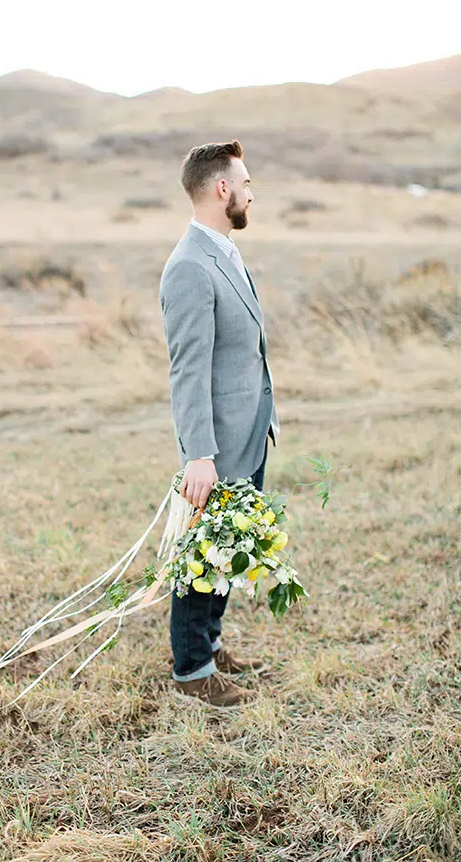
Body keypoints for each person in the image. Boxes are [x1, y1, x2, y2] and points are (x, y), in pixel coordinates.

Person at [159, 140, 279, 707]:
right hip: (218, 445)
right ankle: (192, 672)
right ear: (222, 188)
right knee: (202, 555)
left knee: (228, 549)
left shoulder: (224, 251)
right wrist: (199, 454)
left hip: (248, 431)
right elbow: (188, 370)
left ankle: (209, 644)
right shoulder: (188, 266)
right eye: (246, 183)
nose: (252, 193)